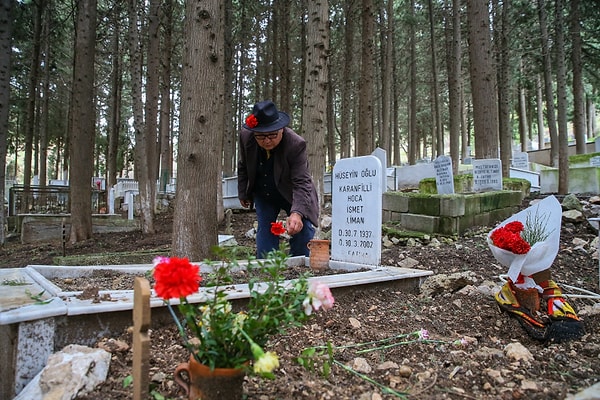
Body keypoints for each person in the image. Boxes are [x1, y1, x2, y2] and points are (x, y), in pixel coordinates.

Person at [237, 100, 319, 258]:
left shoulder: (296, 144)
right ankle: (267, 270)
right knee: (265, 228)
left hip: (292, 192)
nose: (267, 140)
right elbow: (243, 165)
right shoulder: (246, 137)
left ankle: (299, 267)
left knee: (301, 227)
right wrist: (243, 192)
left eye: (272, 135)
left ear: (281, 129)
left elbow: (302, 182)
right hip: (263, 192)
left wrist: (297, 212)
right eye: (260, 136)